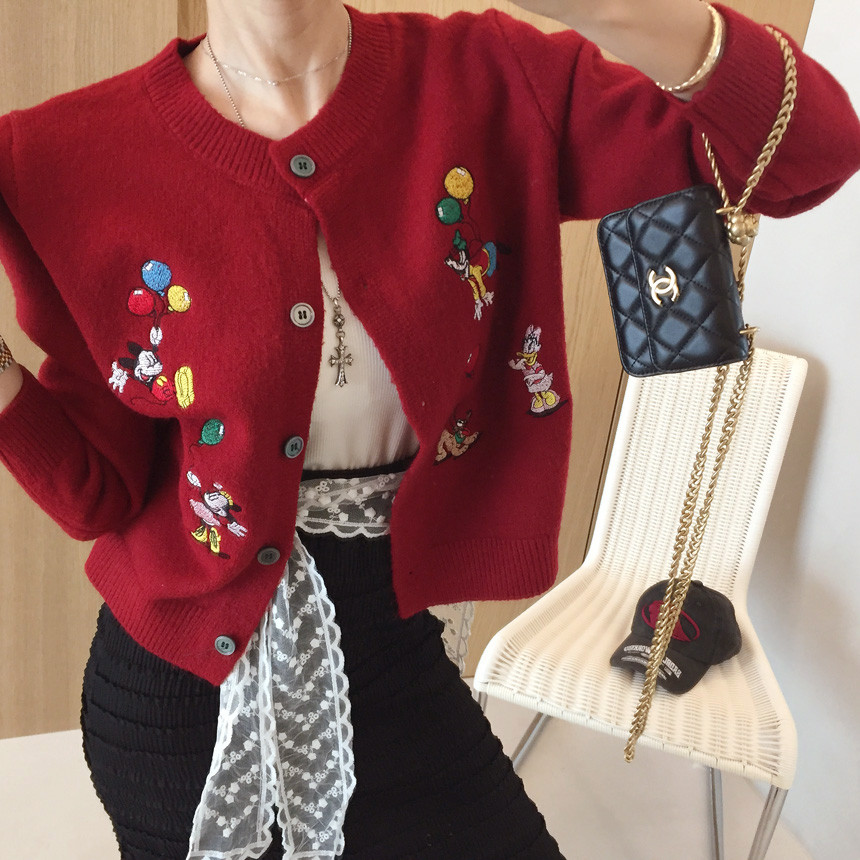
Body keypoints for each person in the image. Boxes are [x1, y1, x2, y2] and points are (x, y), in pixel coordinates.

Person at [0, 0, 858, 858]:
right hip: (175, 700)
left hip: (399, 655)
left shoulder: (490, 79)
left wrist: (607, 8)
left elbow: (808, 150)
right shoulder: (61, 155)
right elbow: (95, 495)